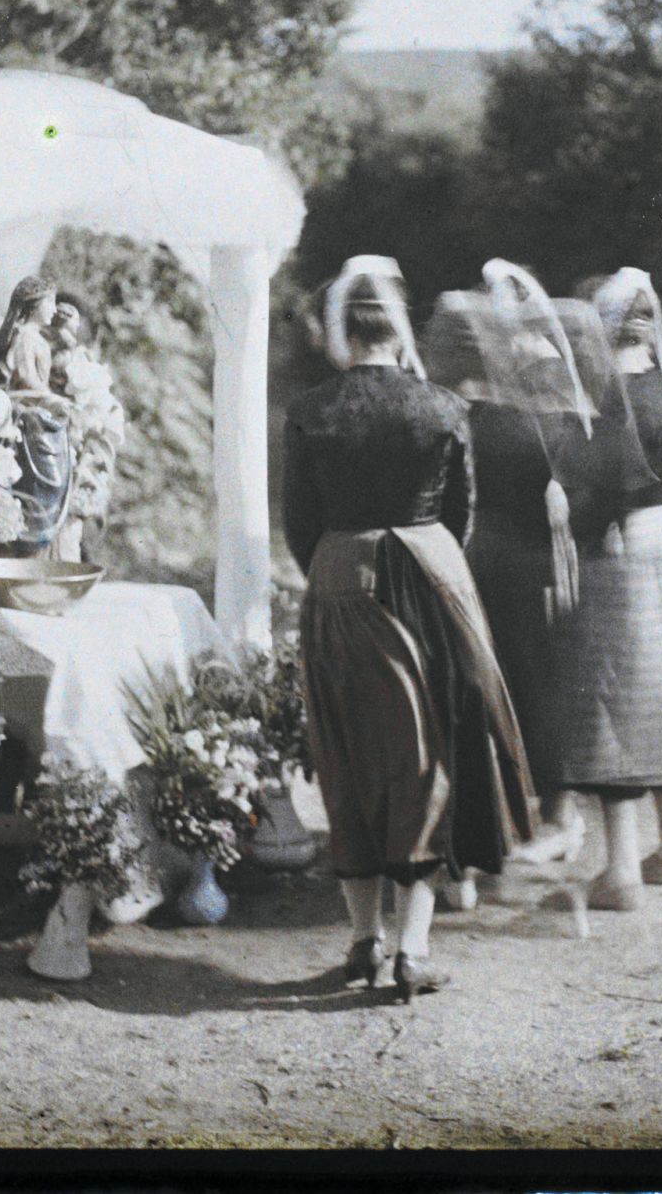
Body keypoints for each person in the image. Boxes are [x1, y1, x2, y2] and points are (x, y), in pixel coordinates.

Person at [282, 255, 538, 1000]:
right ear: (397, 325)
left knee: (347, 752)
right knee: (428, 757)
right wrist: (425, 557)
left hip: (341, 580)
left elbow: (300, 526)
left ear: (342, 326)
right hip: (432, 577)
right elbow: (461, 513)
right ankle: (412, 949)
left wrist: (341, 564)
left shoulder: (310, 411)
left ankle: (365, 939)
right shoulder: (442, 408)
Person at [544, 267, 662, 911]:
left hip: (618, 559)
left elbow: (608, 485)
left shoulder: (611, 392)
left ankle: (619, 870)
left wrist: (567, 525)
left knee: (614, 704)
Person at [425, 268, 598, 870]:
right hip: (513, 565)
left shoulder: (466, 418)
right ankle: (536, 812)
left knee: (509, 684)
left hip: (499, 566)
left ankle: (535, 814)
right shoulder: (520, 422)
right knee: (522, 686)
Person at [0, 275, 74, 556]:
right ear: (34, 305)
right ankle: (29, 543)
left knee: (53, 481)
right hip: (30, 419)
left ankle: (38, 545)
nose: (54, 309)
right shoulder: (26, 336)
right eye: (49, 302)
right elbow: (25, 378)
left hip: (40, 417)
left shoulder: (36, 336)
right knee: (44, 481)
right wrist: (51, 399)